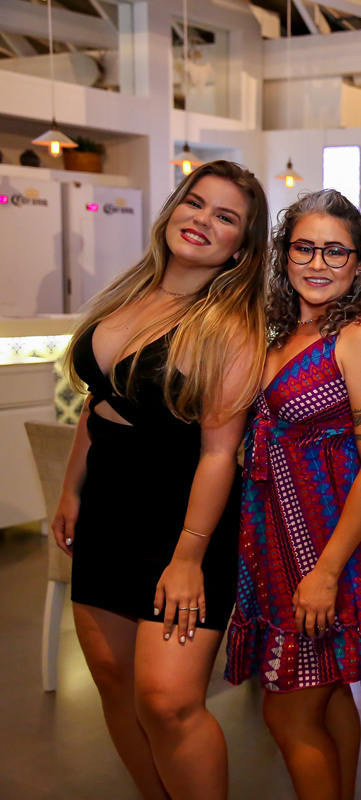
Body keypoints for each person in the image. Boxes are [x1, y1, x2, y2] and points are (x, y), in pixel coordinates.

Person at [55, 160, 269, 800]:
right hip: (106, 511)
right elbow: (97, 404)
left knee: (169, 701)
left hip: (183, 525)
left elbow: (219, 454)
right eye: (195, 203)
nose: (202, 220)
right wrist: (70, 490)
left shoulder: (231, 328)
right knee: (113, 681)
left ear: (240, 247)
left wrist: (188, 558)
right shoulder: (129, 294)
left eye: (225, 217)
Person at [224, 189, 361, 800]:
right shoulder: (280, 335)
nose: (318, 263)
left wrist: (326, 572)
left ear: (358, 262)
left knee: (286, 712)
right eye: (304, 248)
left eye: (335, 251)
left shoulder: (360, 336)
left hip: (330, 548)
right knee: (325, 699)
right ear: (284, 255)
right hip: (274, 541)